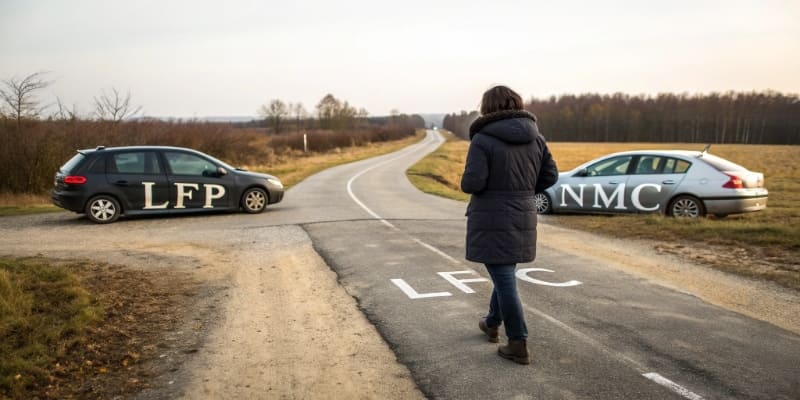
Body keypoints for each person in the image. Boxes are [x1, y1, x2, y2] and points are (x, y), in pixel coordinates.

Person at [461, 85, 558, 365]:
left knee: (504, 278)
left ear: (487, 107)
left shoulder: (482, 139)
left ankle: (518, 341)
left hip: (492, 215)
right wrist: (525, 190)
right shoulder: (536, 138)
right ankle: (491, 323)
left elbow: (473, 183)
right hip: (523, 213)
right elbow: (550, 175)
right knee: (504, 273)